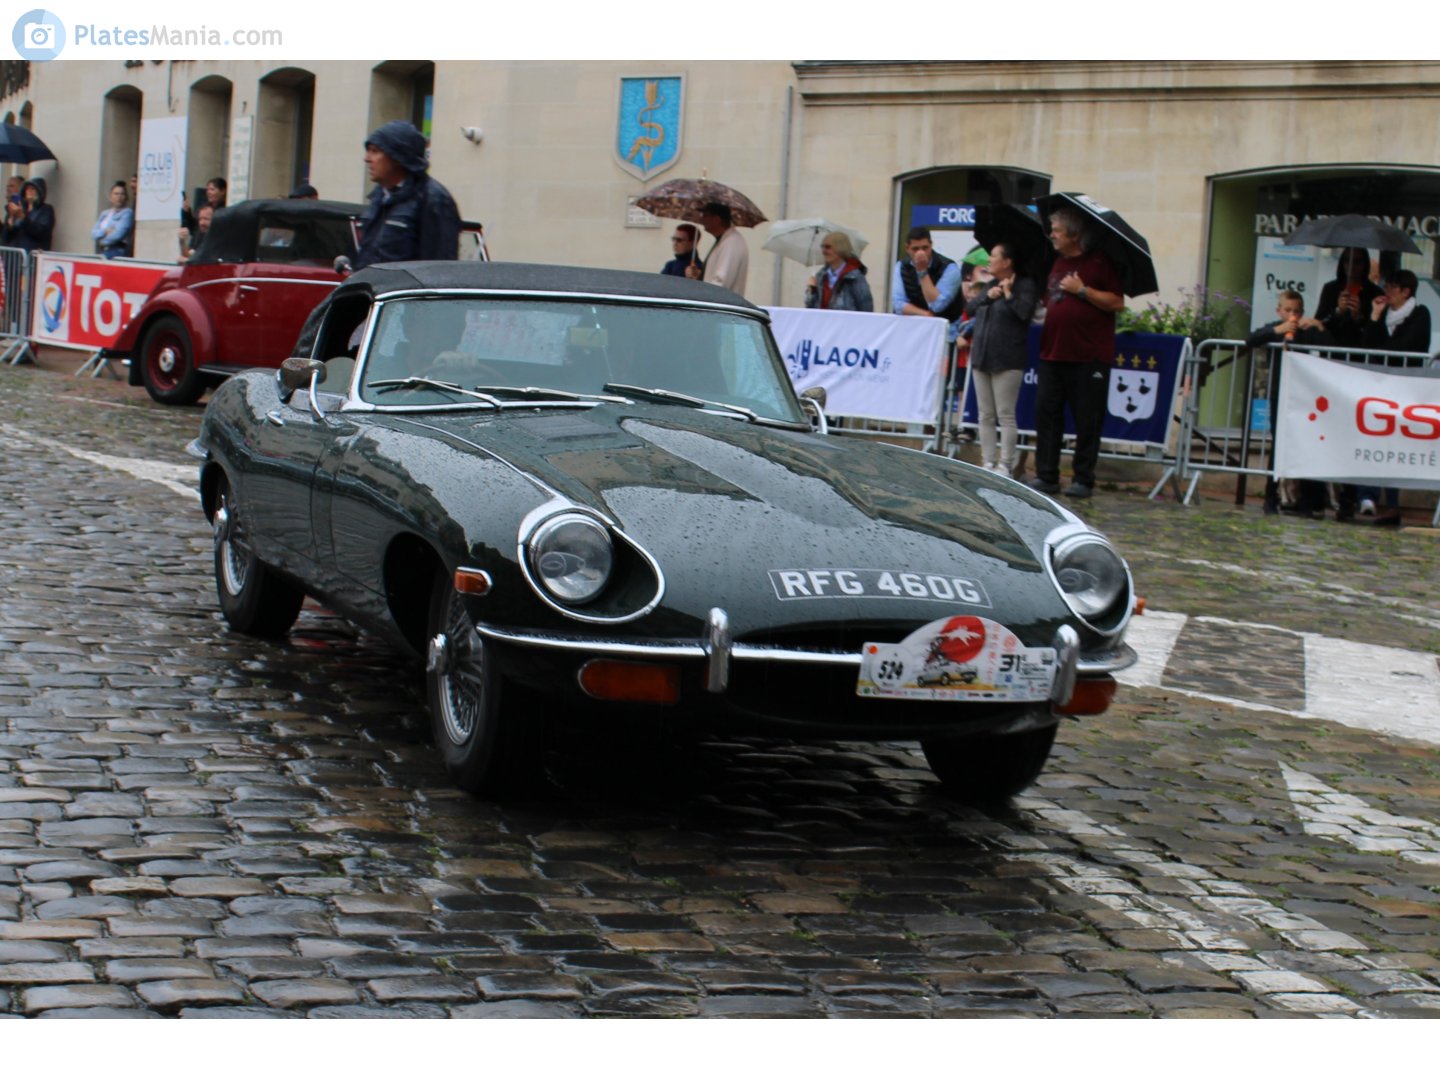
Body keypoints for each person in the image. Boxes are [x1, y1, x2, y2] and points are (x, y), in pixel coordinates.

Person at [1029, 206, 1125, 499]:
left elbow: (1117, 302)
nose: (1052, 235)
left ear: (1073, 234)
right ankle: (1047, 475)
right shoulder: (1056, 263)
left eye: (1057, 230)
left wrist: (1082, 290)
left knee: (1087, 420)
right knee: (1047, 415)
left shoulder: (1099, 263)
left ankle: (1084, 478)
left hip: (1088, 357)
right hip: (1053, 353)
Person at [1245, 289, 1333, 516]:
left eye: (1297, 311)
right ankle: (1271, 496)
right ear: (1279, 311)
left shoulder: (1307, 331)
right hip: (1280, 393)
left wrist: (1319, 326)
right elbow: (1251, 339)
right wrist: (1277, 330)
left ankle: (1307, 500)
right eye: (1288, 310)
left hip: (1305, 395)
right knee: (1279, 444)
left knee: (1305, 444)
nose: (1293, 315)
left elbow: (1330, 346)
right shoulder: (1276, 328)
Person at [1356, 268, 1430, 525]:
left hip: (1405, 387)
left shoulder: (1419, 314)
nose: (1386, 291)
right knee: (1375, 439)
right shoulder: (1384, 314)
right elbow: (1368, 346)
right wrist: (1375, 316)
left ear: (1405, 291)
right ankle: (1368, 496)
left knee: (1396, 442)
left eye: (1391, 287)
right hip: (1380, 385)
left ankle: (1392, 503)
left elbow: (1404, 347)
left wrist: (1383, 347)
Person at [964, 241, 1037, 477]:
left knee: (1005, 414)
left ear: (1007, 262)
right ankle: (987, 461)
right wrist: (988, 296)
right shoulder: (989, 285)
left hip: (1007, 359)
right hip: (982, 357)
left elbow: (1024, 313)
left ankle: (1005, 464)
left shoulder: (1025, 286)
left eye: (994, 256)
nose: (989, 260)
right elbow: (971, 308)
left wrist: (1008, 295)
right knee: (985, 414)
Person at [355, 120, 462, 269]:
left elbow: (440, 268)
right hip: (373, 284)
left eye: (375, 151)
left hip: (404, 284)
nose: (367, 158)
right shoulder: (379, 196)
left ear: (398, 157)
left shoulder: (434, 199)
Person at [890, 226, 966, 340]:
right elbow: (898, 304)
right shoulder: (901, 266)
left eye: (925, 248)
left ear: (931, 245)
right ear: (907, 248)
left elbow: (937, 305)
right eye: (915, 249)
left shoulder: (949, 268)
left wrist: (922, 271)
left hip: (946, 333)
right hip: (913, 331)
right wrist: (925, 314)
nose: (921, 253)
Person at [1315, 246, 1382, 348]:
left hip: (1360, 349)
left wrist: (1358, 317)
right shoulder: (1330, 289)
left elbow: (1377, 331)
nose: (1351, 265)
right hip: (1332, 348)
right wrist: (1338, 311)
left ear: (1365, 264)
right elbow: (1319, 322)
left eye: (1357, 261)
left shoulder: (1375, 292)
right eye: (1347, 260)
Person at [687, 201, 748, 296]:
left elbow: (721, 283)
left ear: (716, 219)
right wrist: (698, 276)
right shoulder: (724, 241)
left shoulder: (731, 243)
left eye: (705, 215)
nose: (701, 220)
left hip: (720, 302)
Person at [804, 231, 873, 312]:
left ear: (840, 249)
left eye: (828, 247)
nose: (823, 251)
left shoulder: (855, 278)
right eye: (822, 247)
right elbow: (810, 310)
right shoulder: (820, 276)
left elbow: (866, 310)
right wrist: (812, 290)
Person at [2, 178, 54, 252]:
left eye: (33, 189)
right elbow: (5, 238)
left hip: (32, 255)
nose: (29, 191)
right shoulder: (19, 209)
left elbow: (41, 232)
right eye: (27, 189)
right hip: (15, 255)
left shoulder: (46, 209)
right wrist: (10, 223)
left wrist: (22, 218)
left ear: (40, 191)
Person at [91, 180, 134, 259]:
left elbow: (117, 235)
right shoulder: (105, 213)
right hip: (101, 252)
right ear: (110, 197)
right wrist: (105, 231)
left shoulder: (127, 213)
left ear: (126, 197)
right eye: (116, 194)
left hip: (117, 252)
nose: (119, 197)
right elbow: (93, 233)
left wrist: (101, 241)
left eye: (122, 194)